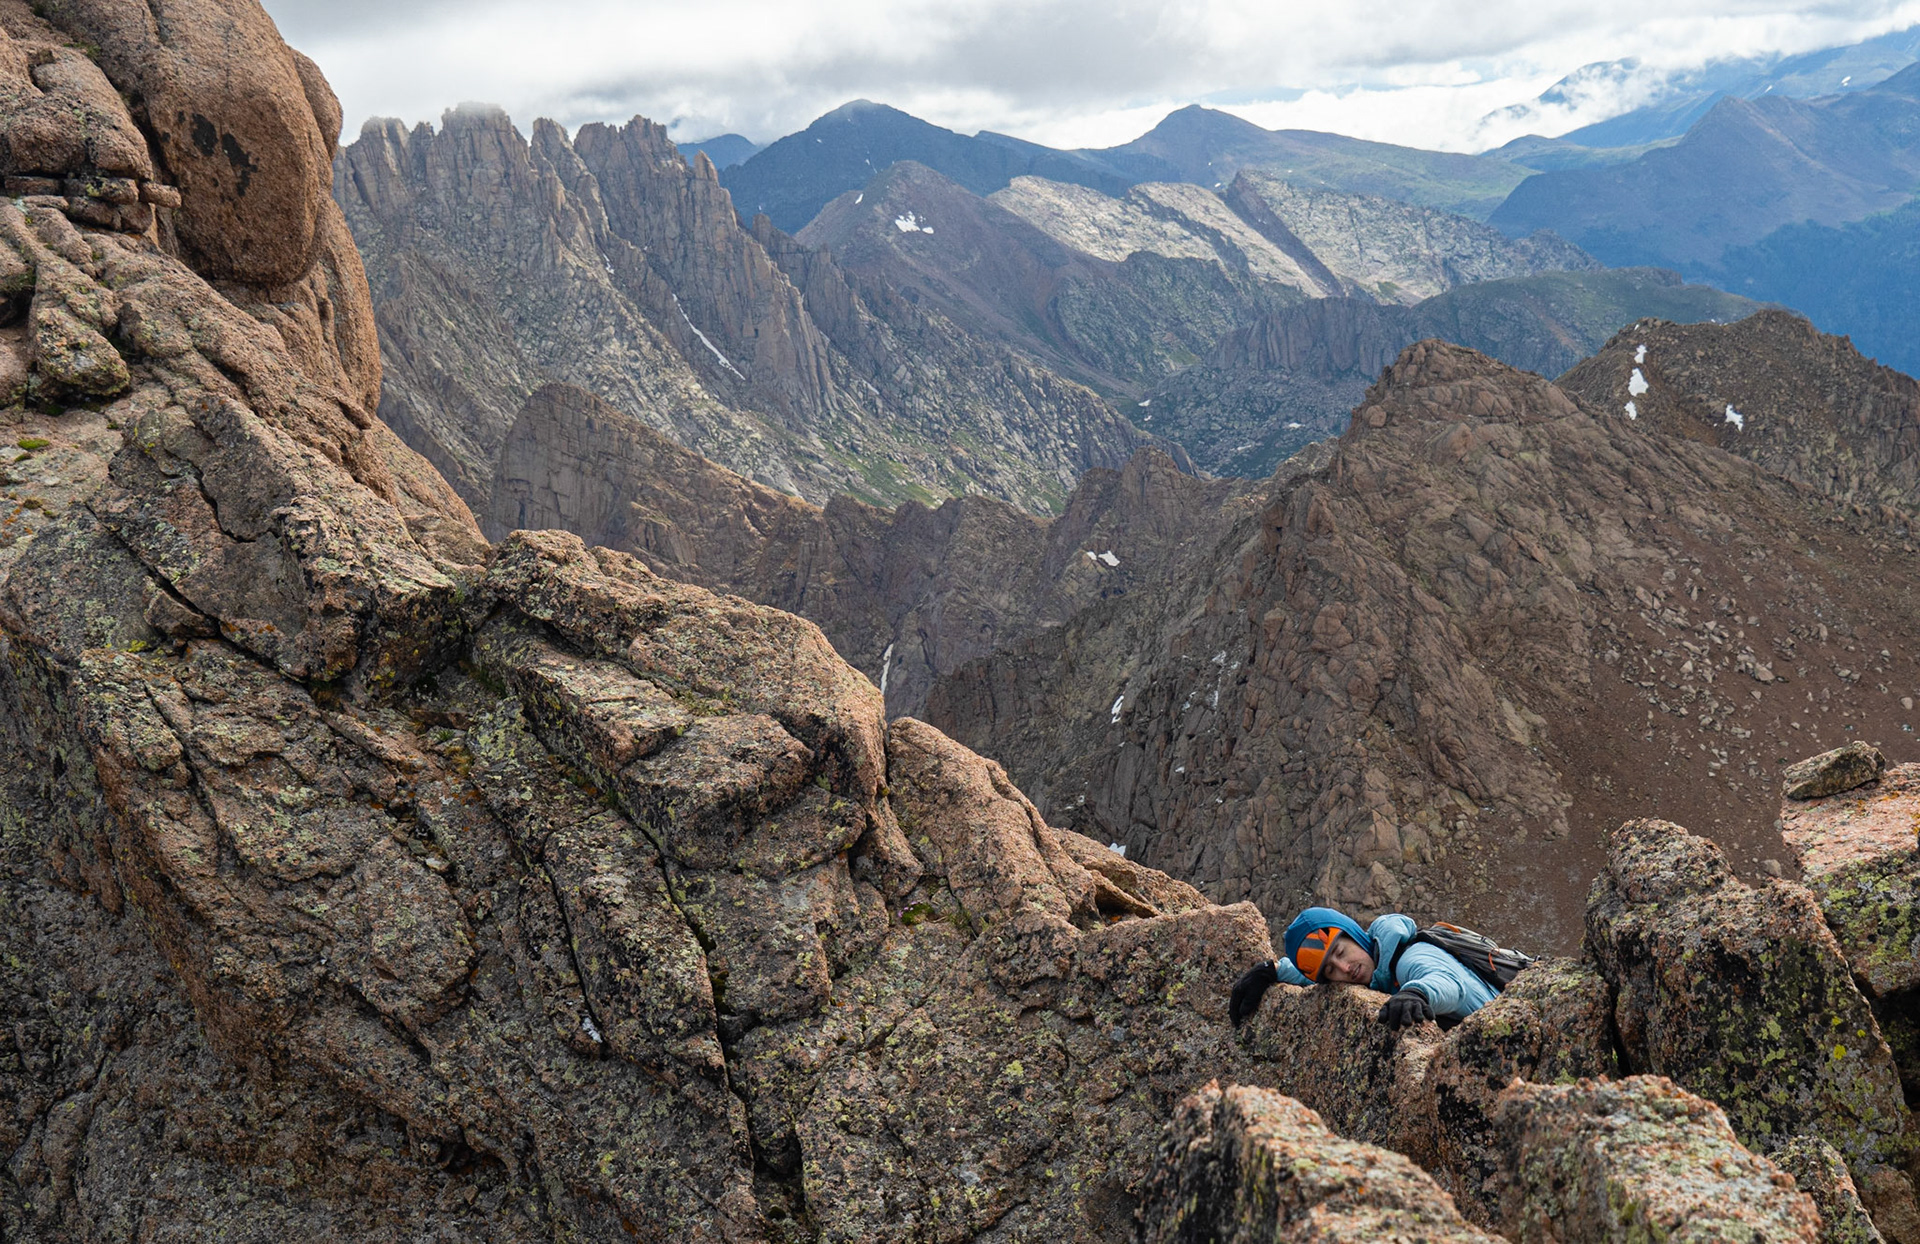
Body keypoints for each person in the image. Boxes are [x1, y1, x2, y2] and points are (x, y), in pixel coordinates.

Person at [1228, 906, 1498, 1030]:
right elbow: (1314, 975)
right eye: (1331, 971)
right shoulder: (1374, 966)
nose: (1345, 969)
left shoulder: (1409, 956)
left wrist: (1417, 993)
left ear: (1356, 935)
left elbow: (1451, 986)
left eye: (1340, 952)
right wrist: (1271, 970)